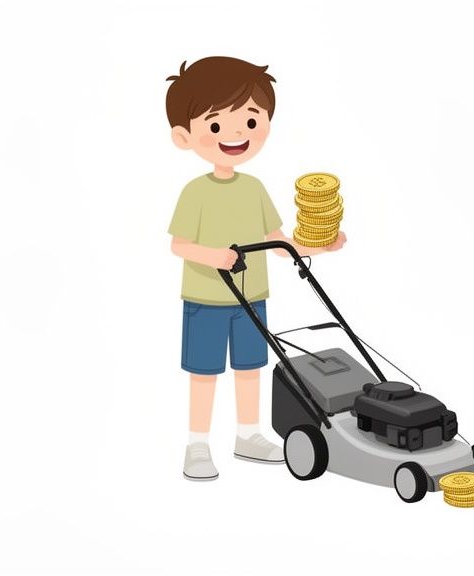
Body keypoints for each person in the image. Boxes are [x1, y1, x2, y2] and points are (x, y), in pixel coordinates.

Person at [165, 57, 346, 481]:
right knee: (205, 374)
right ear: (184, 136)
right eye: (215, 126)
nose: (235, 135)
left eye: (250, 121)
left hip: (252, 298)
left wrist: (319, 245)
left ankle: (248, 435)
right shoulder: (196, 192)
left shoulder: (254, 188)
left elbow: (277, 240)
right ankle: (197, 445)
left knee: (251, 368)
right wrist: (215, 257)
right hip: (207, 299)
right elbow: (179, 244)